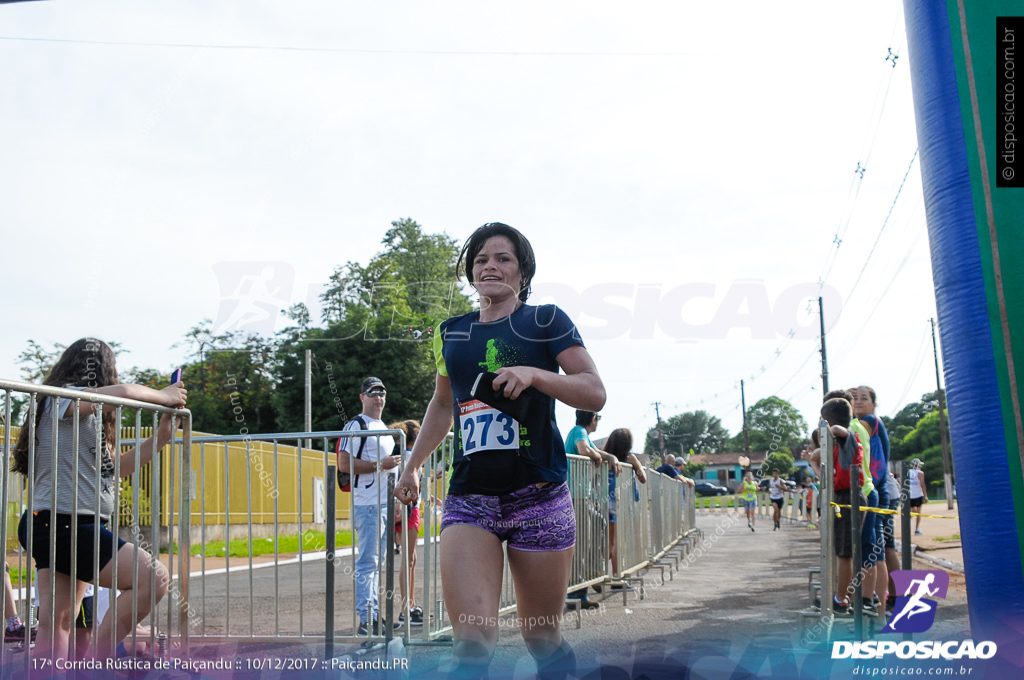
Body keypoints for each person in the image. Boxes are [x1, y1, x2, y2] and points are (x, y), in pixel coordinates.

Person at [393, 223, 606, 680]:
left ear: (522, 272)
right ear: (471, 273)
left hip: (539, 494)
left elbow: (593, 393)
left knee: (541, 639)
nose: (491, 265)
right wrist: (412, 467)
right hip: (471, 496)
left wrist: (535, 374)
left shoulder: (546, 320)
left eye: (503, 258)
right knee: (470, 644)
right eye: (481, 259)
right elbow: (443, 404)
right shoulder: (451, 332)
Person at [11, 338, 183, 660]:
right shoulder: (61, 400)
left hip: (63, 524)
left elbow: (118, 468)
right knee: (153, 577)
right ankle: (98, 663)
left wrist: (160, 438)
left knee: (58, 621)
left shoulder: (88, 422)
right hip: (63, 523)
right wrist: (163, 396)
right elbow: (128, 393)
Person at [336, 377, 402, 636]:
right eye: (373, 393)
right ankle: (366, 619)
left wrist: (395, 500)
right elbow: (344, 464)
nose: (378, 398)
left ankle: (374, 615)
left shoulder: (383, 426)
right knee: (368, 562)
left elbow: (391, 467)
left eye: (382, 393)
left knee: (378, 563)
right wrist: (379, 465)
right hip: (368, 504)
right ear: (362, 397)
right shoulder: (355, 425)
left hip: (384, 503)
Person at [809, 397, 865, 614]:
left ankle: (840, 600)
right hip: (840, 497)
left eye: (822, 421)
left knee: (844, 554)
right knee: (840, 551)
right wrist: (815, 459)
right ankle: (839, 595)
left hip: (850, 497)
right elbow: (823, 473)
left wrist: (828, 430)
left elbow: (840, 430)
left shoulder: (848, 437)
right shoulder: (836, 448)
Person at [564, 410, 620, 610]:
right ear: (593, 419)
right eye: (598, 418)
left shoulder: (583, 434)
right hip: (576, 497)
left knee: (600, 523)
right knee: (580, 546)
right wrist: (594, 455)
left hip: (583, 497)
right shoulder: (579, 432)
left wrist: (610, 457)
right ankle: (577, 594)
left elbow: (594, 450)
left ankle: (592, 574)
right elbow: (583, 450)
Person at [852, 385, 891, 612]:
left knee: (875, 550)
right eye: (854, 398)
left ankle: (877, 605)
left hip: (874, 490)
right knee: (875, 549)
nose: (858, 401)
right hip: (870, 489)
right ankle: (875, 605)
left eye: (863, 398)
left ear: (873, 404)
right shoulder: (859, 424)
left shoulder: (870, 421)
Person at [389, 419, 424, 627]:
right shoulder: (409, 456)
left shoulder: (407, 456)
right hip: (408, 508)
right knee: (408, 558)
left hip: (412, 506)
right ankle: (405, 609)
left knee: (411, 558)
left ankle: (410, 604)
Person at [604, 428, 646, 579]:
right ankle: (616, 577)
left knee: (610, 541)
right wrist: (637, 465)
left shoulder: (607, 459)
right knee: (618, 542)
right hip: (622, 503)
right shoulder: (629, 458)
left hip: (607, 500)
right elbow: (643, 478)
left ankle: (598, 573)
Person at [909, 458, 928, 534]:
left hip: (910, 495)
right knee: (918, 513)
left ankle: (907, 525)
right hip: (918, 495)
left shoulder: (908, 472)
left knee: (912, 511)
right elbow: (922, 485)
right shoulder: (920, 473)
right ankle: (917, 529)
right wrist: (925, 496)